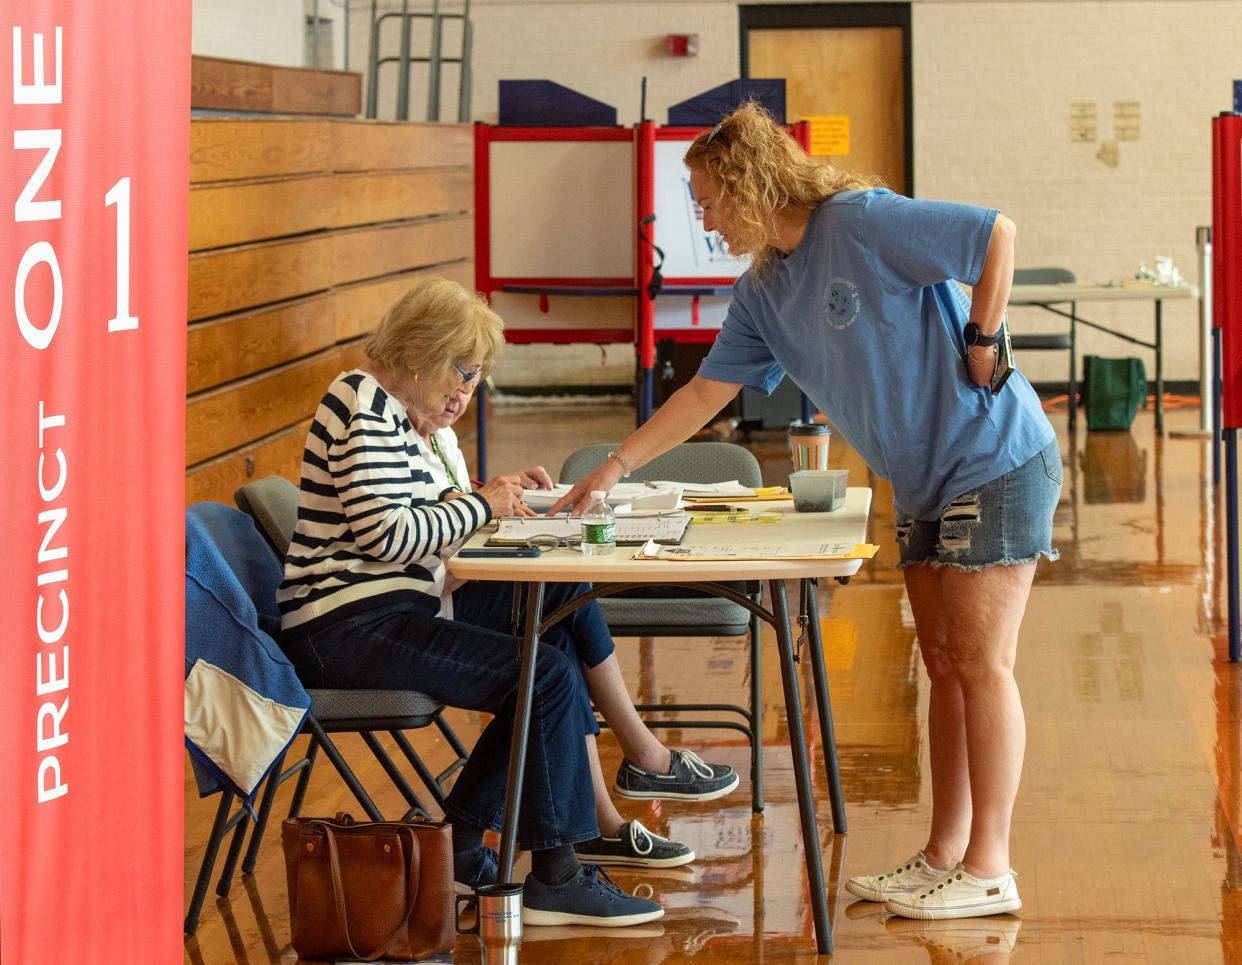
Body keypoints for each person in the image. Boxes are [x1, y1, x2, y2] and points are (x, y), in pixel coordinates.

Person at [550, 102, 1061, 921]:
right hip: (926, 479)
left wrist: (984, 337)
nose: (703, 217)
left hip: (994, 458)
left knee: (980, 662)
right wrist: (613, 467)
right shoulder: (762, 292)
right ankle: (944, 856)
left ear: (750, 184)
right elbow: (706, 392)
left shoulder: (859, 223)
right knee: (942, 662)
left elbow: (995, 233)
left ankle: (990, 865)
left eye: (708, 199)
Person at [277, 277, 730, 927]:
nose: (466, 392)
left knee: (554, 619)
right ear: (420, 350)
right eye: (460, 373)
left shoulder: (419, 425)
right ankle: (558, 872)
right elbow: (389, 534)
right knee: (543, 676)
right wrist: (481, 503)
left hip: (405, 604)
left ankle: (463, 843)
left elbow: (444, 524)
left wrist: (500, 495)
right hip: (347, 624)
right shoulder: (360, 402)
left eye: (476, 378)